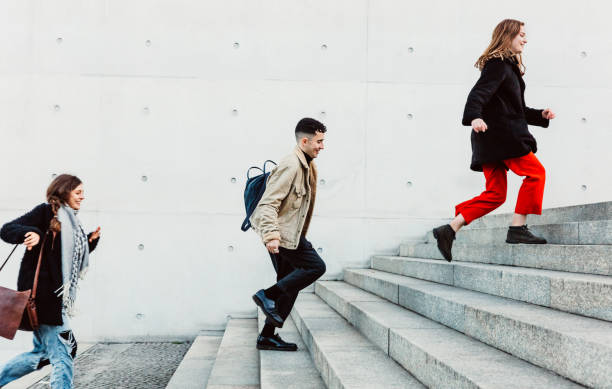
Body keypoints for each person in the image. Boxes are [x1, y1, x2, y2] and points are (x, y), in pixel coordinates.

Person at [433, 19, 556, 262]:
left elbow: (516, 109)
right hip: (502, 137)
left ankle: (450, 229)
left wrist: (540, 115)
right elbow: (478, 94)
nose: (525, 39)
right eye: (521, 34)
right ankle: (517, 229)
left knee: (496, 194)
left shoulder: (507, 67)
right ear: (508, 35)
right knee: (536, 173)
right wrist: (474, 117)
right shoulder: (498, 64)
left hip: (491, 140)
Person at [0, 174, 101, 389]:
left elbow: (64, 259)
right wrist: (31, 232)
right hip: (44, 300)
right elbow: (7, 229)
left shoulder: (73, 220)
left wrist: (89, 242)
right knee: (63, 356)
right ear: (64, 191)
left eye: (83, 192)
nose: (83, 197)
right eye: (78, 192)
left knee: (42, 354)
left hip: (55, 300)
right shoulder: (44, 213)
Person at [250, 118, 327, 351]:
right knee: (316, 266)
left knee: (289, 282)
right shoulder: (292, 165)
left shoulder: (306, 163)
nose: (322, 146)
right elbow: (268, 204)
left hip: (289, 234)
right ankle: (267, 295)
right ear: (304, 141)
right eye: (319, 141)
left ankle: (267, 336)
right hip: (281, 235)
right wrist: (272, 235)